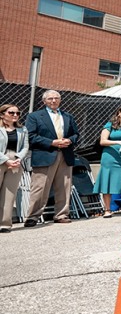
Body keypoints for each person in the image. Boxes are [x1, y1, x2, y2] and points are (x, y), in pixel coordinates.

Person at [25, 90, 79, 226]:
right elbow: (31, 136)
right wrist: (52, 142)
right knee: (40, 187)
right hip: (45, 154)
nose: (53, 101)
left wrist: (70, 140)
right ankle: (33, 216)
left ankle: (61, 214)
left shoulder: (68, 116)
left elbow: (76, 134)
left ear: (60, 100)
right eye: (50, 99)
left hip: (65, 154)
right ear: (44, 101)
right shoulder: (35, 116)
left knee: (64, 187)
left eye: (56, 98)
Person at [0, 104, 29, 233]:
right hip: (2, 159)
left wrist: (18, 158)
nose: (15, 115)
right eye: (11, 113)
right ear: (2, 114)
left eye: (18, 113)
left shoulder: (22, 130)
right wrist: (6, 160)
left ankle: (5, 224)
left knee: (9, 193)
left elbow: (25, 147)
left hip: (16, 161)